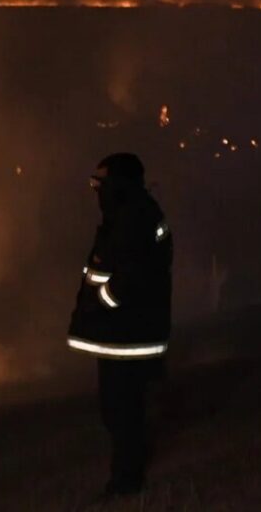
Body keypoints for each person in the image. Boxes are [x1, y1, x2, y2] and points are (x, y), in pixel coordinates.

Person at [67, 152, 172, 496]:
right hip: (123, 334)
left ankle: (126, 481)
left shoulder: (133, 218)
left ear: (118, 185)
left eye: (100, 183)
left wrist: (103, 303)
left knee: (121, 411)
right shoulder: (135, 213)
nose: (95, 190)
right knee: (120, 410)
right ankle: (125, 475)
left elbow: (134, 275)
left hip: (125, 334)